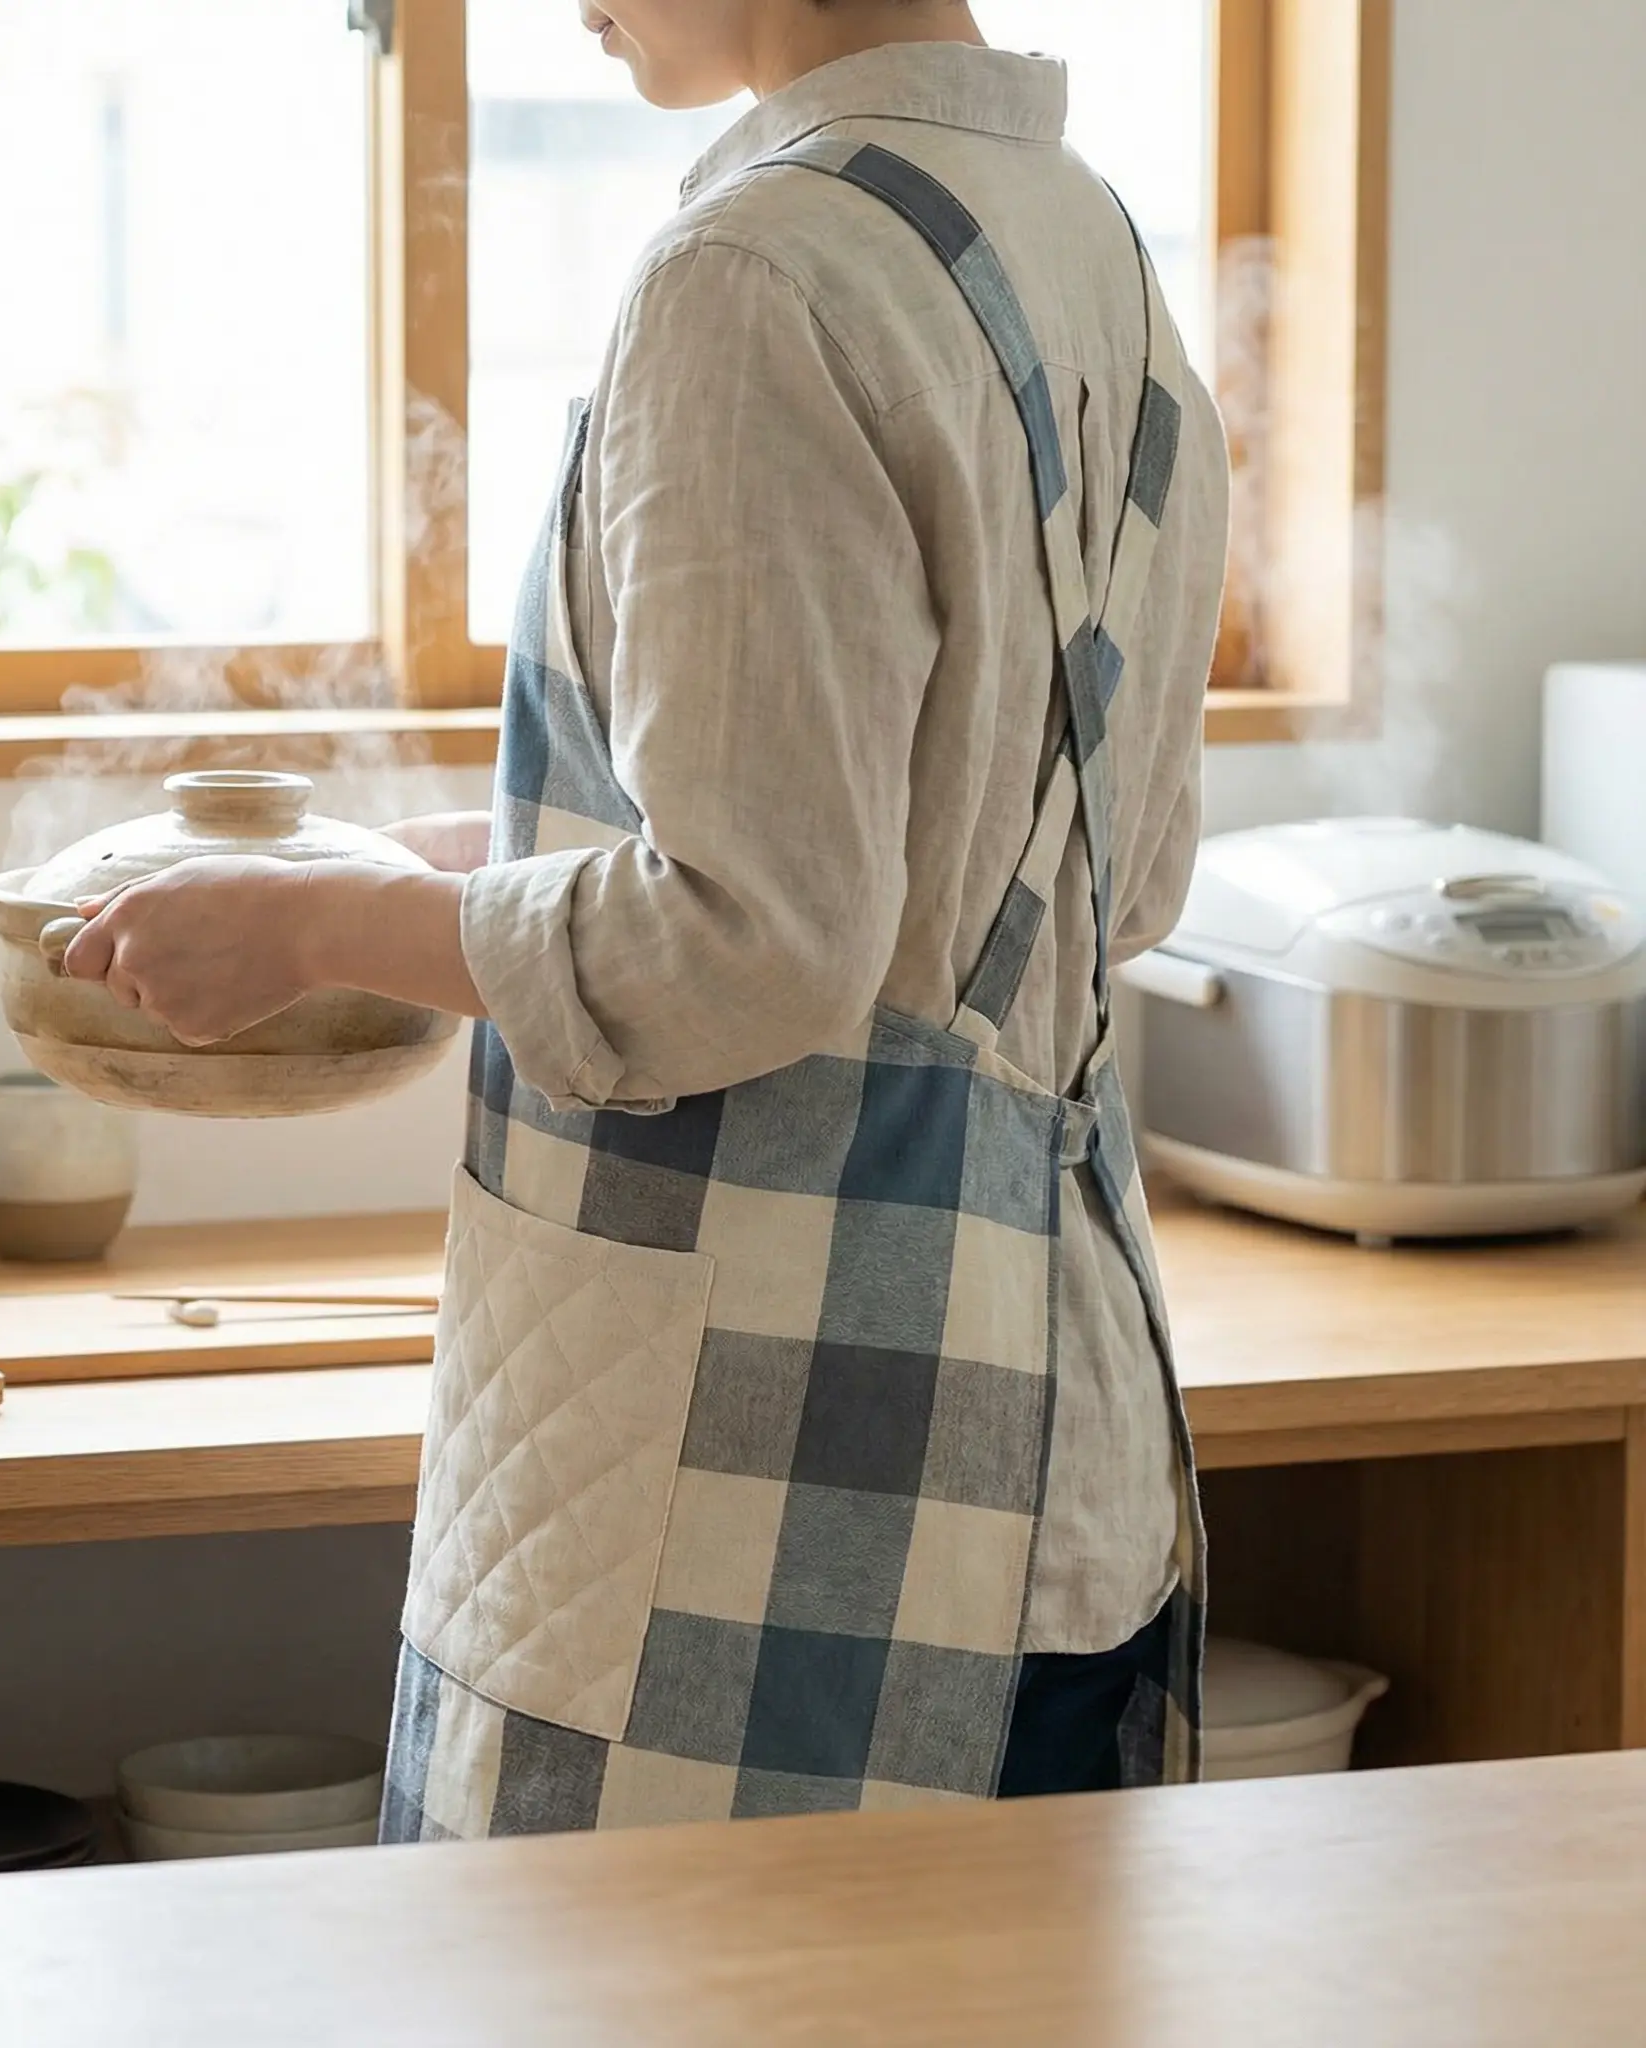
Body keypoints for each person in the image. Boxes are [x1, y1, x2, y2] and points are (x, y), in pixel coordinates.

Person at [63, 0, 1230, 1834]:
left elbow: (748, 942)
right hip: (1064, 1447)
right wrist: (424, 867)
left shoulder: (755, 275)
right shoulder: (1086, 241)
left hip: (777, 1494)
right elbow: (1088, 876)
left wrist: (307, 942)